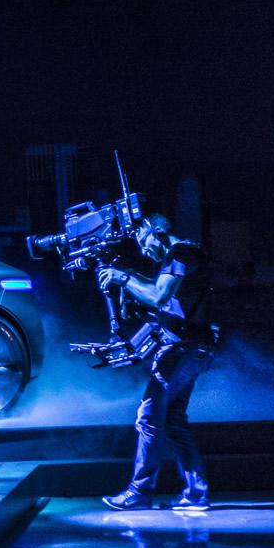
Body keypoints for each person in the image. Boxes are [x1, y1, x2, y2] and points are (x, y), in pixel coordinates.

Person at [95, 214, 218, 511]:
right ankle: (196, 493)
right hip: (193, 347)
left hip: (182, 348)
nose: (144, 250)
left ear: (158, 231)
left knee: (148, 418)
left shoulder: (181, 253)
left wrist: (124, 278)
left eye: (144, 241)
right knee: (173, 421)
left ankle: (140, 491)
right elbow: (167, 301)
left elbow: (159, 296)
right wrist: (130, 288)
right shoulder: (182, 256)